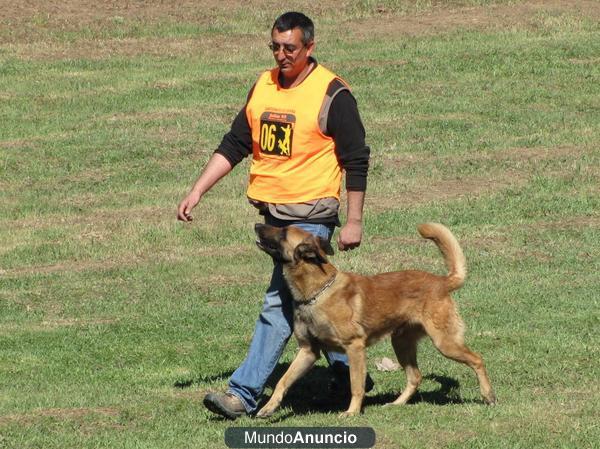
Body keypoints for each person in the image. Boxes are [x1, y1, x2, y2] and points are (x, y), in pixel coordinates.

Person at [177, 11, 371, 419]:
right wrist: (197, 189)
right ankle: (349, 373)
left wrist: (353, 220)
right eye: (275, 47)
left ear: (309, 48)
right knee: (317, 303)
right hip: (274, 218)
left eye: (290, 48)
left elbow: (356, 159)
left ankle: (243, 394)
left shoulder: (332, 94)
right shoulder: (264, 86)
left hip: (311, 218)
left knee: (279, 303)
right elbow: (235, 143)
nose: (281, 55)